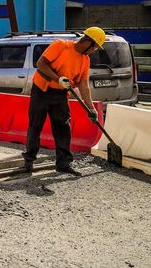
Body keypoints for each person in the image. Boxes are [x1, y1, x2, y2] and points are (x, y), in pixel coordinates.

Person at [22, 27, 106, 176]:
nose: (94, 51)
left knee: (63, 127)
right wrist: (58, 78)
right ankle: (29, 160)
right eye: (94, 47)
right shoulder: (61, 45)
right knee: (35, 125)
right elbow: (41, 64)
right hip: (42, 89)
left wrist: (91, 108)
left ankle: (63, 164)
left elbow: (83, 85)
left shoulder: (85, 60)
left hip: (60, 94)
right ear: (87, 42)